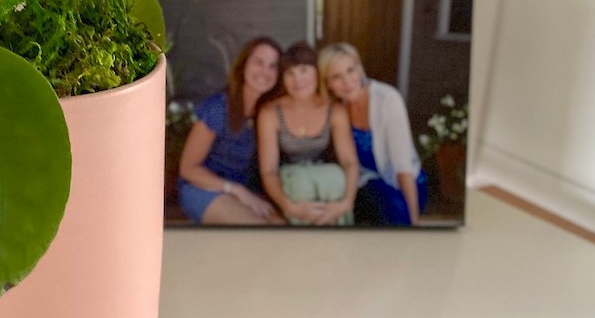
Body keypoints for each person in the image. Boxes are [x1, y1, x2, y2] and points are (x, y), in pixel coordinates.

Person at [317, 42, 427, 226]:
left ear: (360, 68)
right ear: (327, 83)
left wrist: (414, 222)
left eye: (351, 70)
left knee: (396, 211)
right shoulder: (337, 109)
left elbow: (403, 167)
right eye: (336, 77)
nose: (347, 81)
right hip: (369, 184)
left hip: (405, 185)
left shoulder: (387, 99)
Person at [177, 37, 284, 226]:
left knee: (284, 230)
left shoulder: (268, 111)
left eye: (272, 66)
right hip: (204, 188)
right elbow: (188, 168)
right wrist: (236, 190)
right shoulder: (218, 108)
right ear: (243, 65)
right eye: (258, 62)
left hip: (244, 191)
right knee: (258, 232)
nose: (264, 71)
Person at [257, 41, 358, 226]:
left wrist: (346, 203)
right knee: (300, 185)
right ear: (282, 78)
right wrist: (288, 206)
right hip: (290, 182)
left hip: (322, 178)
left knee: (336, 179)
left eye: (304, 70)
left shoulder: (334, 110)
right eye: (290, 73)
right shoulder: (270, 113)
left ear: (317, 72)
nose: (298, 80)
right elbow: (268, 170)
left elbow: (349, 162)